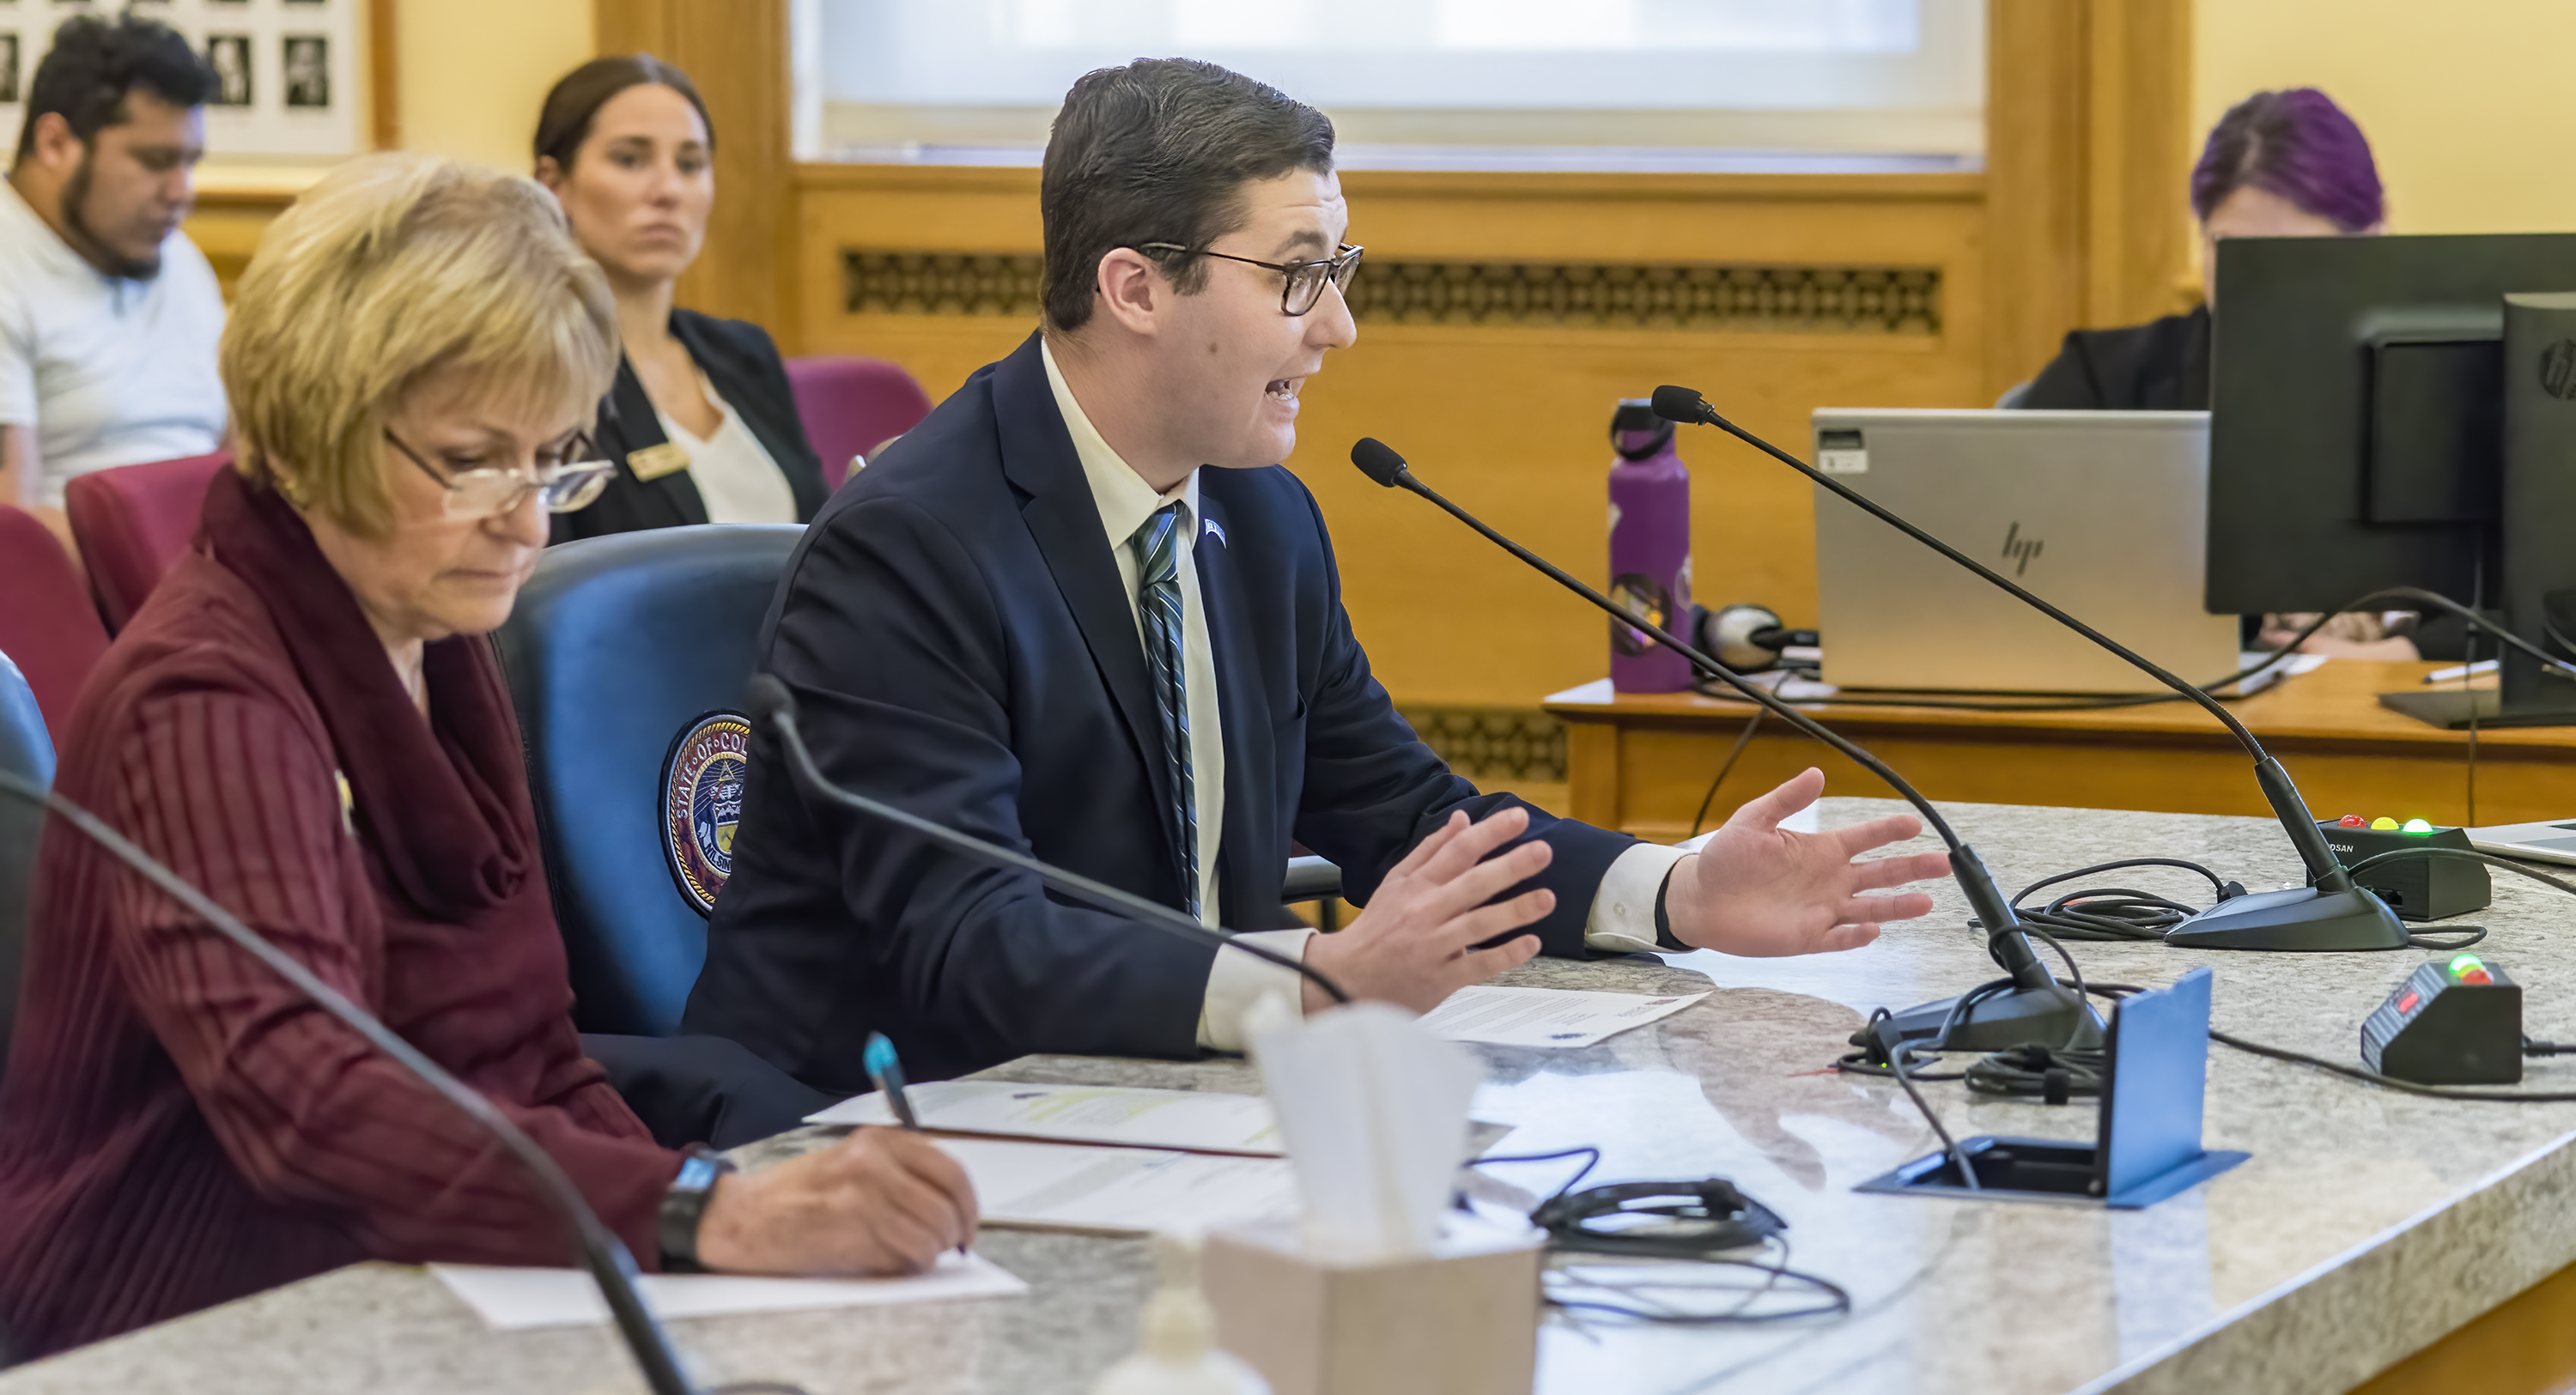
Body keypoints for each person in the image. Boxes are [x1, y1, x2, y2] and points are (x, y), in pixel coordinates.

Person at [682, 58, 1953, 1090]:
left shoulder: (1262, 519)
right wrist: (1317, 977)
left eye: (1337, 275)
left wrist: (1671, 888)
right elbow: (975, 947)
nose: (1338, 328)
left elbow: (1408, 819)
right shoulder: (910, 544)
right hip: (882, 1137)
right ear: (1134, 285)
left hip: (1166, 1105)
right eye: (1299, 275)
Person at [0, 154, 975, 1359]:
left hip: (414, 1278)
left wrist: (722, 1228)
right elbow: (310, 1106)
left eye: (551, 456)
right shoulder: (206, 696)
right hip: (178, 1316)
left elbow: (531, 1053)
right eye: (471, 461)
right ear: (309, 434)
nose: (526, 519)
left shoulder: (435, 642)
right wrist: (701, 1214)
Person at [2019, 88, 2421, 659]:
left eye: (2294, 259)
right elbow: (2022, 568)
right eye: (2230, 253)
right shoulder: (2105, 380)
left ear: (2375, 244)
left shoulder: (2449, 391)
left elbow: (2537, 599)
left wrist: (2410, 655)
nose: (2261, 288)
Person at [534, 55, 826, 541]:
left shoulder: (745, 352)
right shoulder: (538, 370)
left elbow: (822, 533)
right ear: (554, 185)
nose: (668, 189)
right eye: (630, 159)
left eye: (690, 164)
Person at [0, 13, 228, 571]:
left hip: (211, 587)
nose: (182, 193)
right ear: (55, 143)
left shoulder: (180, 260)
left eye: (190, 162)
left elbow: (245, 454)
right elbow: (12, 533)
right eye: (155, 161)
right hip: (83, 612)